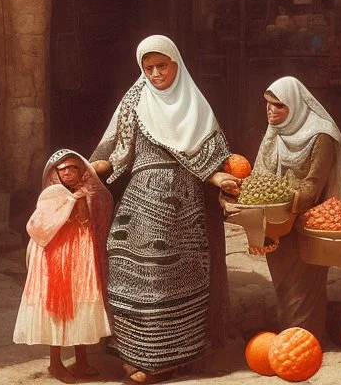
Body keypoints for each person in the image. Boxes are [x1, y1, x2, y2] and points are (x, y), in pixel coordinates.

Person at [89, 35, 240, 383]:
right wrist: (85, 168)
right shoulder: (135, 100)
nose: (156, 74)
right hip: (140, 198)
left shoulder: (196, 105)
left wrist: (219, 179)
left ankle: (171, 358)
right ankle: (133, 356)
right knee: (122, 261)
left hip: (183, 206)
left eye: (162, 66)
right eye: (149, 68)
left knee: (173, 274)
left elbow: (211, 157)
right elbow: (117, 155)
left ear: (176, 64)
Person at [254, 76, 341, 341]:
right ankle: (290, 338)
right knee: (285, 286)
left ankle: (305, 343)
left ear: (295, 106)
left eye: (279, 106)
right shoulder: (275, 131)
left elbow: (313, 186)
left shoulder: (321, 135)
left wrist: (284, 202)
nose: (271, 110)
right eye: (268, 104)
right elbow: (261, 176)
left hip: (307, 222)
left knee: (305, 288)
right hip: (277, 221)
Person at [13, 149, 114, 384]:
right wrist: (70, 202)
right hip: (55, 254)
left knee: (80, 302)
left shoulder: (87, 194)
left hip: (80, 252)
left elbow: (88, 221)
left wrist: (81, 200)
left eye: (73, 167)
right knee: (57, 305)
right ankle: (55, 363)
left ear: (81, 171)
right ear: (55, 173)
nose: (68, 172)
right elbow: (40, 226)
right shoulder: (51, 195)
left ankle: (81, 360)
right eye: (62, 169)